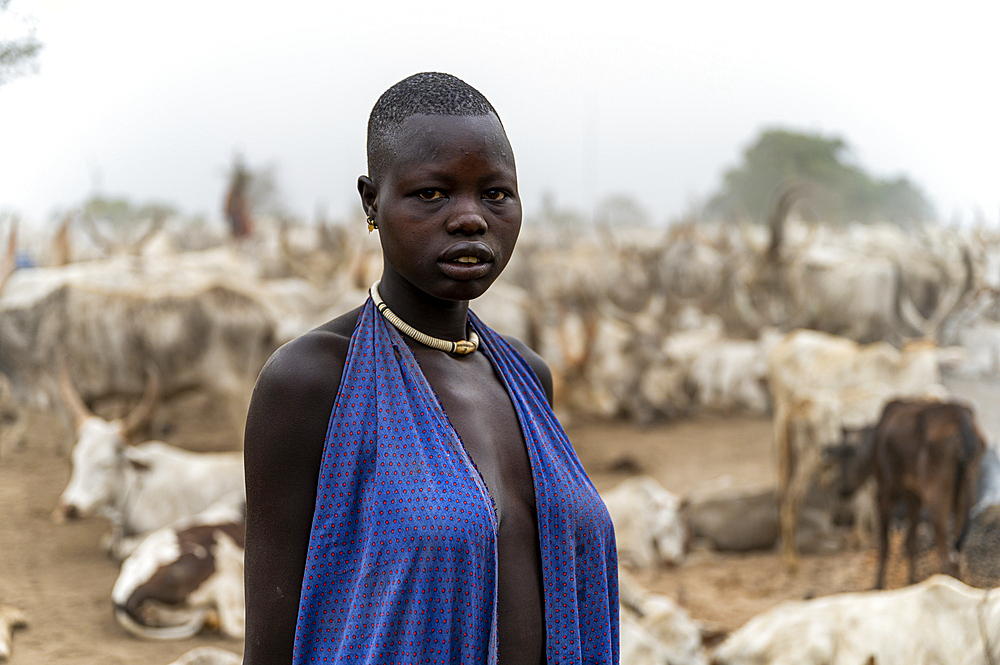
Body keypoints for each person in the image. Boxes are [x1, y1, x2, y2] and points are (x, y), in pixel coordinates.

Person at [243, 72, 618, 665]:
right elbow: (270, 643)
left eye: (495, 194)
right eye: (431, 194)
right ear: (372, 202)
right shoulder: (313, 381)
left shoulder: (526, 376)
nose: (471, 219)